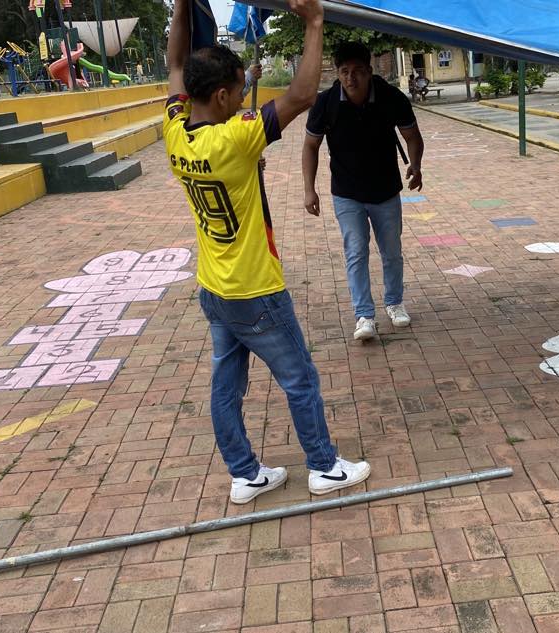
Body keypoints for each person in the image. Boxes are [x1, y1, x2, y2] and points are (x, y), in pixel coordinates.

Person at [164, 0, 370, 504]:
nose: (242, 99)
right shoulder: (236, 138)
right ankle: (324, 466)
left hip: (214, 288)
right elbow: (301, 95)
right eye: (238, 91)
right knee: (299, 378)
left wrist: (182, 8)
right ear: (220, 95)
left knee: (226, 387)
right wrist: (314, 22)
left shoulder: (174, 129)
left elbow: (174, 64)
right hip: (255, 290)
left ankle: (245, 475)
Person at [302, 42, 425, 341]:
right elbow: (310, 145)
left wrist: (416, 165)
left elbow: (412, 136)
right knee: (356, 252)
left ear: (369, 71)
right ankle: (364, 315)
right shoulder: (326, 103)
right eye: (344, 71)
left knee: (391, 251)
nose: (350, 78)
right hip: (347, 193)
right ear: (337, 73)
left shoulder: (390, 97)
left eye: (357, 71)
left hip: (385, 190)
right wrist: (309, 189)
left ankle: (394, 302)